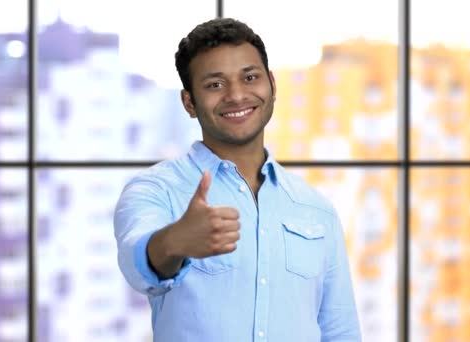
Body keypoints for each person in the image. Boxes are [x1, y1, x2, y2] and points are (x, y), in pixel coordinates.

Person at [114, 18, 361, 342]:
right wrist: (176, 240)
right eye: (215, 84)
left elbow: (339, 331)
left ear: (271, 84)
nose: (236, 94)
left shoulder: (316, 209)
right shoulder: (156, 190)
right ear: (189, 102)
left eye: (250, 77)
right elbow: (138, 265)